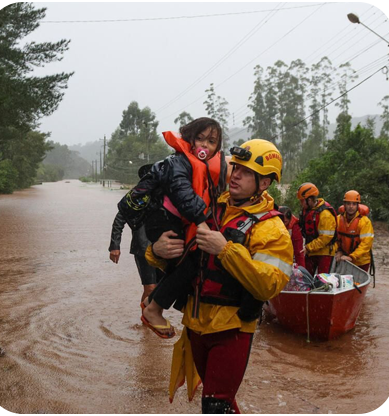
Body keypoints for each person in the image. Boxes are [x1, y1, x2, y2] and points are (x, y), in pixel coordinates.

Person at [147, 139, 293, 413]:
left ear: (264, 183)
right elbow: (181, 259)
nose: (235, 174)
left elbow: (269, 285)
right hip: (195, 323)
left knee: (215, 404)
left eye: (245, 172)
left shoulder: (272, 229)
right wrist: (155, 251)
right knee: (218, 402)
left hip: (232, 329)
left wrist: (225, 250)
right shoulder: (208, 206)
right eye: (235, 167)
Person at [118, 117, 227, 338]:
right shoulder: (178, 163)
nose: (205, 145)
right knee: (189, 264)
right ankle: (154, 309)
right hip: (162, 220)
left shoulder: (211, 172)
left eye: (212, 142)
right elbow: (183, 195)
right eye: (200, 138)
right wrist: (202, 221)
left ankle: (152, 302)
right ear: (190, 139)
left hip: (173, 220)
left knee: (186, 265)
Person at [109, 165, 158, 303]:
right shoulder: (135, 198)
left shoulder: (165, 196)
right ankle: (146, 321)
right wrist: (115, 246)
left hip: (162, 247)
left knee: (160, 288)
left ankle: (151, 319)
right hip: (143, 247)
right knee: (151, 288)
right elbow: (119, 221)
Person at [297, 183, 337, 275]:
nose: (300, 203)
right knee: (305, 278)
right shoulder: (306, 211)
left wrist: (308, 247)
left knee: (323, 281)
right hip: (311, 252)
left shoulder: (325, 214)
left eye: (302, 201)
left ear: (309, 200)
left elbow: (325, 238)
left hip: (325, 253)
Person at [335, 190, 374, 272]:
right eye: (348, 203)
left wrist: (351, 257)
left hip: (361, 261)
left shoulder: (365, 222)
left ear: (357, 205)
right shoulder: (338, 219)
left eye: (354, 204)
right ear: (344, 205)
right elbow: (335, 240)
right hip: (344, 258)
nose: (351, 206)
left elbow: (365, 244)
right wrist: (338, 251)